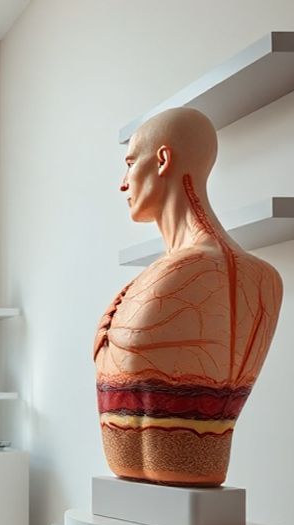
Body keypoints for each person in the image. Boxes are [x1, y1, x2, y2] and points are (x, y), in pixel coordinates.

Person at [94, 107, 283, 486]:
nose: (123, 183)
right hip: (133, 497)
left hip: (178, 490)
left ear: (162, 160)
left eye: (131, 163)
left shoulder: (238, 277)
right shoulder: (252, 277)